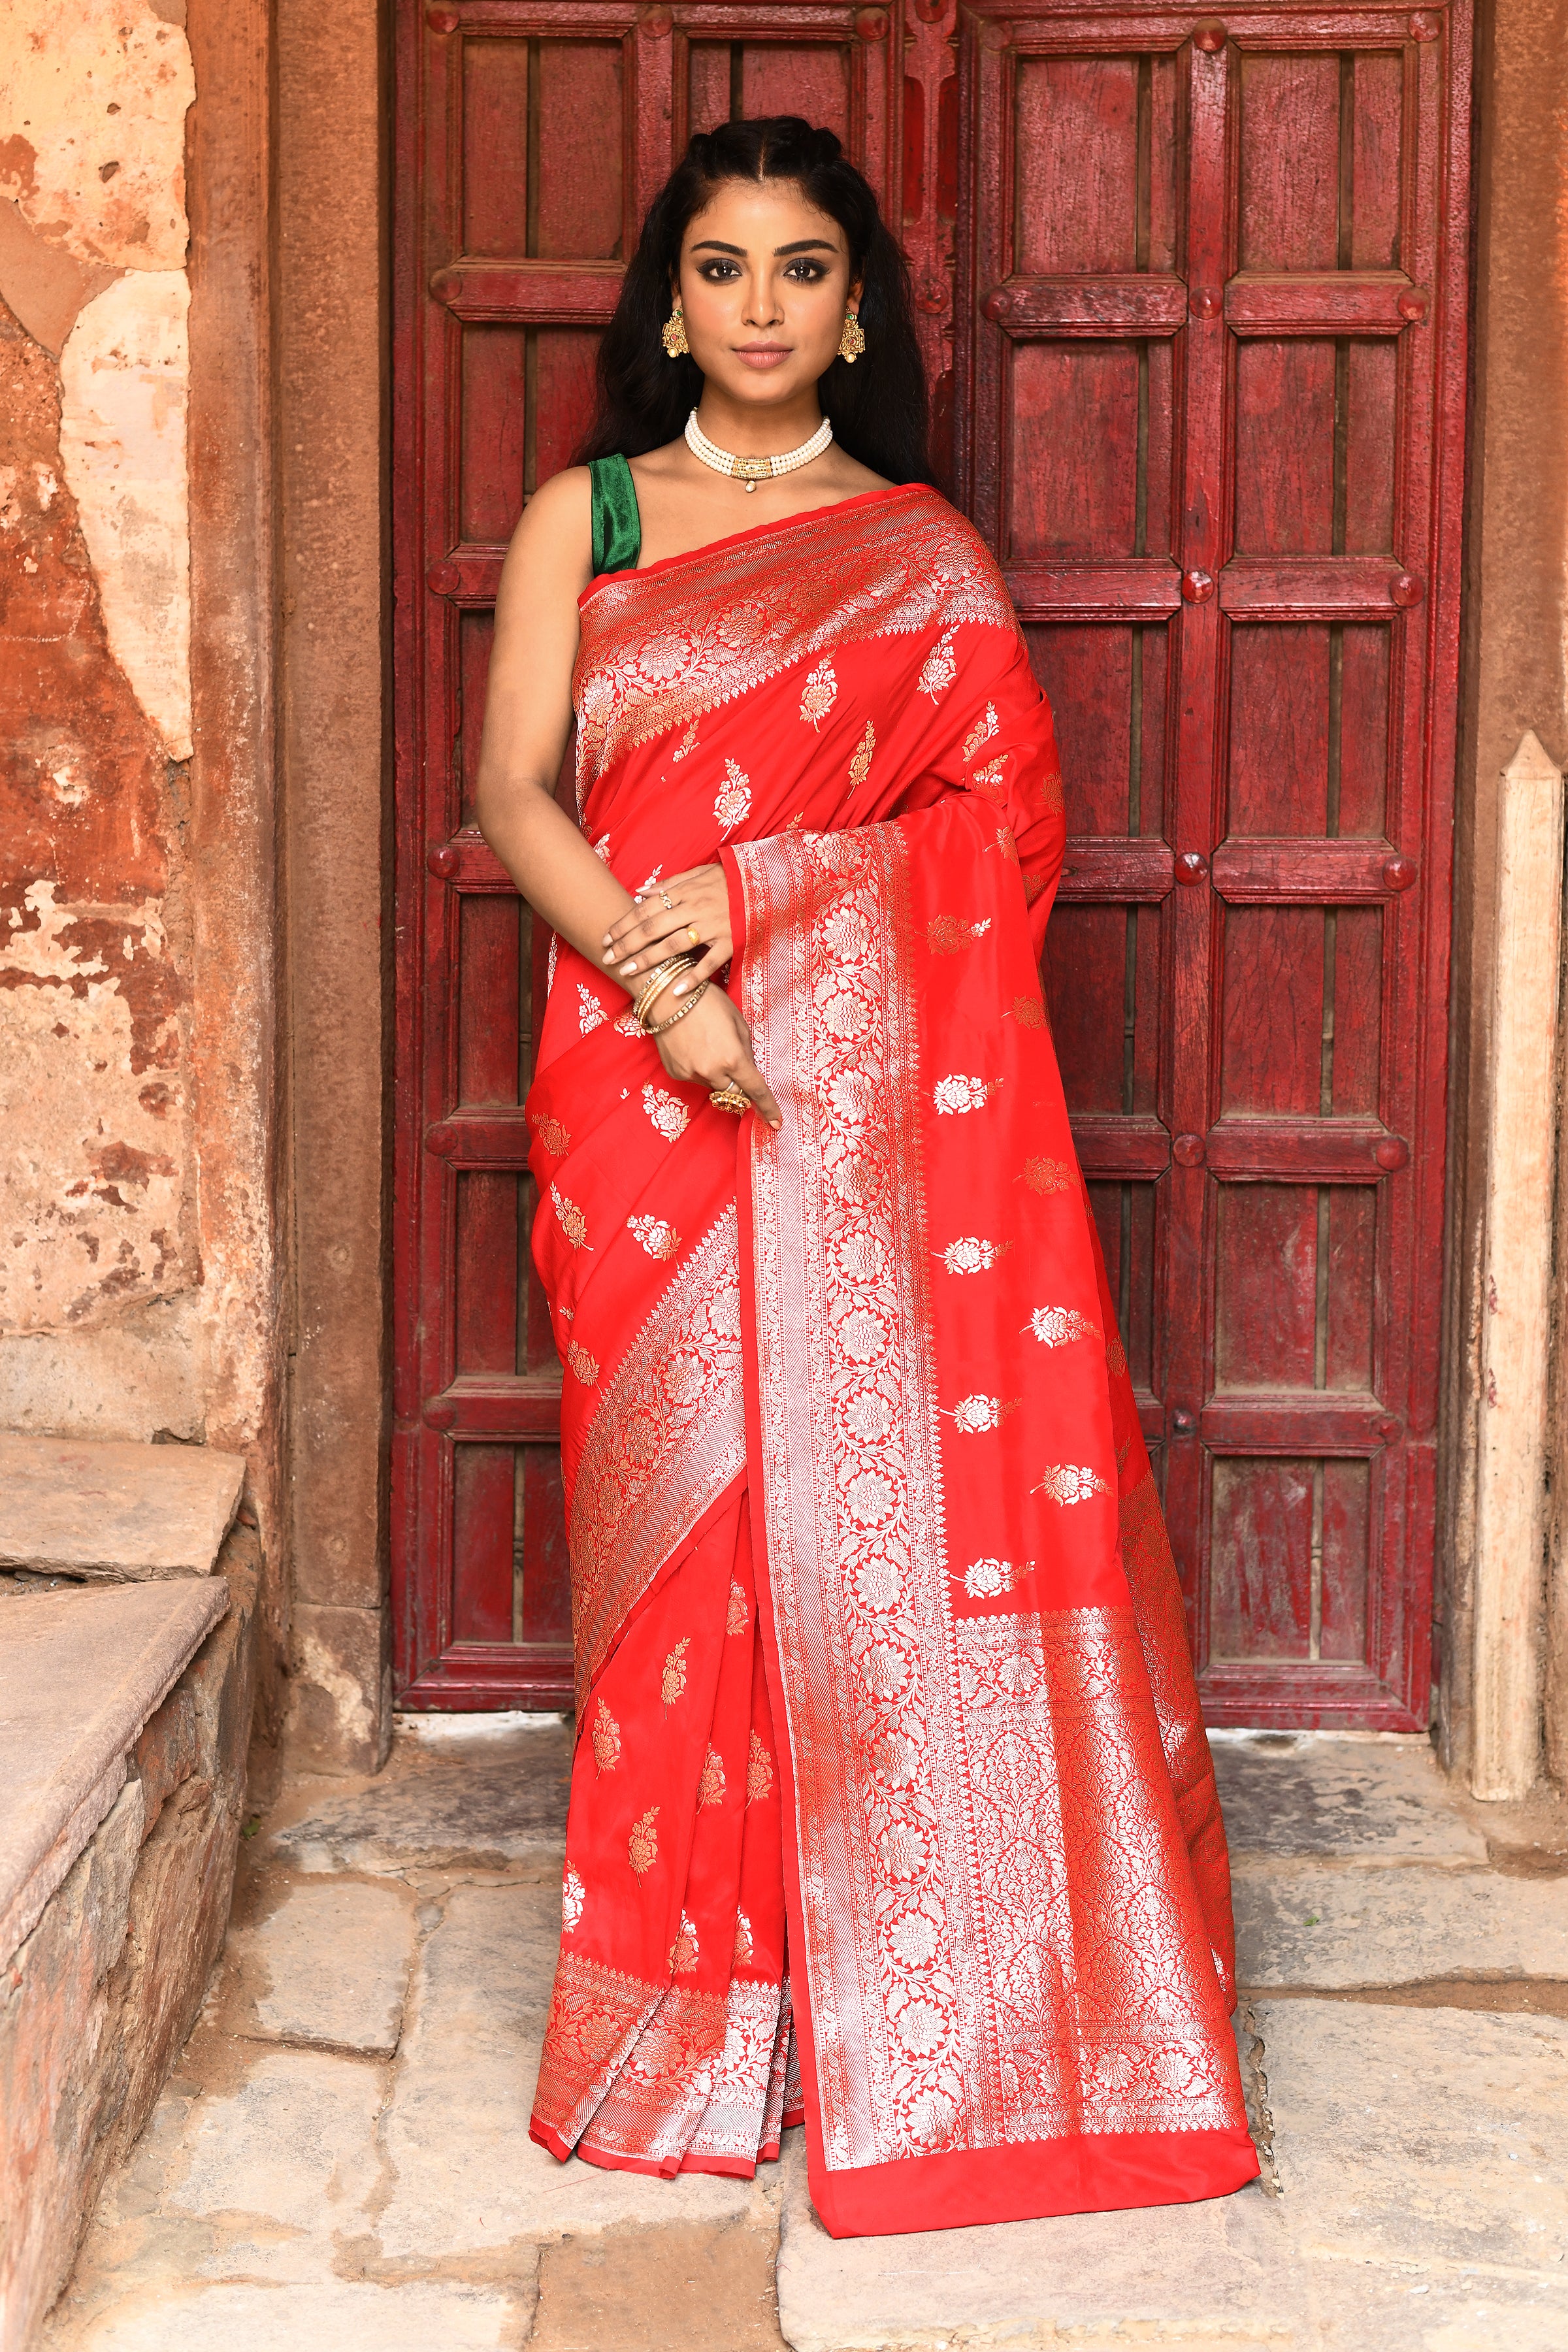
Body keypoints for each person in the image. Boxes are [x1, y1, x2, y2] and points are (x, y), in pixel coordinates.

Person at [474, 116, 1258, 2241]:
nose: (756, 306)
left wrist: (768, 906)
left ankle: (910, 2004)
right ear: (668, 301)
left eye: (801, 269)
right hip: (639, 1090)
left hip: (847, 1099)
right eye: (720, 268)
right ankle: (679, 2033)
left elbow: (1000, 843)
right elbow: (512, 794)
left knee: (854, 1521)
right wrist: (669, 979)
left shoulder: (915, 549)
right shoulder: (594, 514)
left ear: (859, 306)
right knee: (688, 1542)